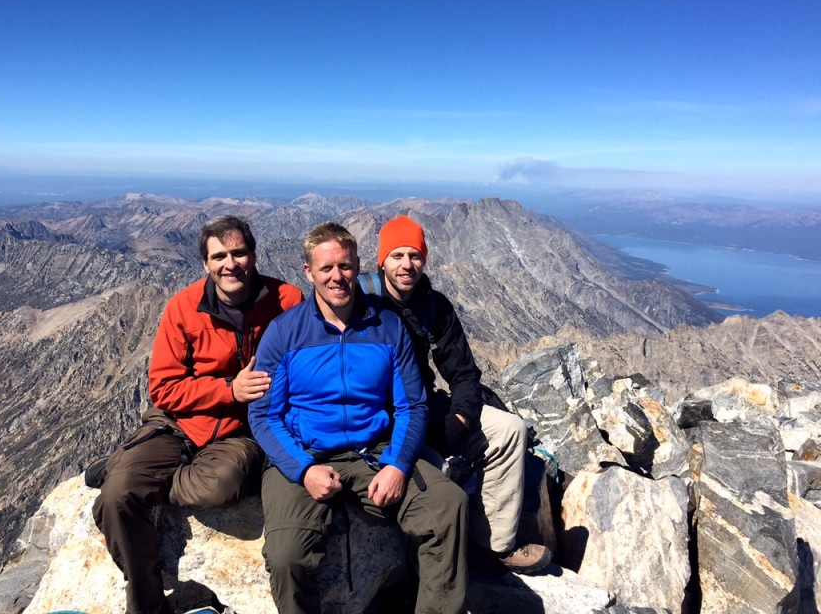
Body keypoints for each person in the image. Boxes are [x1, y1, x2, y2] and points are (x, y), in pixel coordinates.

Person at [249, 222, 468, 614]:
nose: (337, 277)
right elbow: (265, 415)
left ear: (358, 266)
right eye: (327, 268)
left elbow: (412, 406)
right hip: (308, 454)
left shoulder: (388, 327)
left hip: (376, 450)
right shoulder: (284, 333)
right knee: (286, 557)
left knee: (447, 507)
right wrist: (303, 471)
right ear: (308, 272)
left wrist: (398, 465)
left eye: (346, 266)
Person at [92, 215, 304, 614]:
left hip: (240, 430)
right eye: (219, 256)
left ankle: (132, 470)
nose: (230, 264)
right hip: (178, 423)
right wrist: (228, 389)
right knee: (117, 498)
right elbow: (163, 388)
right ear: (206, 264)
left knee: (219, 486)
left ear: (254, 255)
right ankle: (147, 604)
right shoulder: (183, 307)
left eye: (238, 253)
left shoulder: (287, 300)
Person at [370, 215, 551, 574]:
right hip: (384, 415)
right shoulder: (365, 305)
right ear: (382, 261)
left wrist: (462, 416)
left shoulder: (434, 305)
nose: (407, 265)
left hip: (425, 404)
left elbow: (464, 373)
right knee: (437, 477)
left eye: (415, 255)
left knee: (510, 430)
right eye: (397, 256)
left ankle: (496, 545)